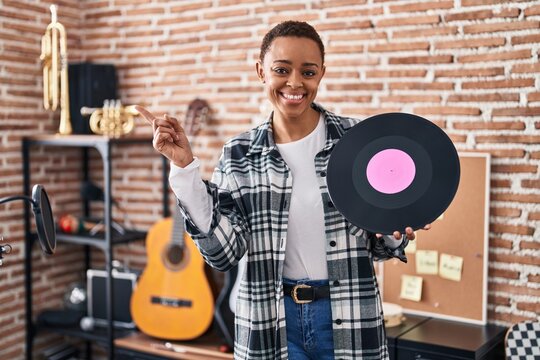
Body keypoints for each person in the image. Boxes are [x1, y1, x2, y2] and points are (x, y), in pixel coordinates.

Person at [137, 20, 430, 360]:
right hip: (268, 322)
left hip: (349, 314)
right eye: (281, 69)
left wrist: (394, 231)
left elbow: (380, 243)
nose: (295, 83)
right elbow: (223, 254)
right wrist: (184, 170)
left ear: (321, 73)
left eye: (308, 72)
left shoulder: (358, 140)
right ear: (261, 71)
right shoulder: (238, 154)